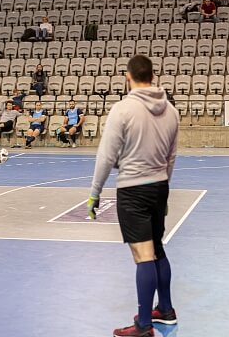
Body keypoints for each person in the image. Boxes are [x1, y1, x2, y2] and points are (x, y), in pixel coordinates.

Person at [88, 55, 179, 337]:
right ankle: (165, 310)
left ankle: (144, 325)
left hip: (133, 190)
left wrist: (94, 193)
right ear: (153, 76)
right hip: (159, 187)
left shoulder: (123, 109)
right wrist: (164, 190)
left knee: (143, 255)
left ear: (128, 77)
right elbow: (171, 157)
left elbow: (106, 156)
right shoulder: (171, 110)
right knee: (157, 248)